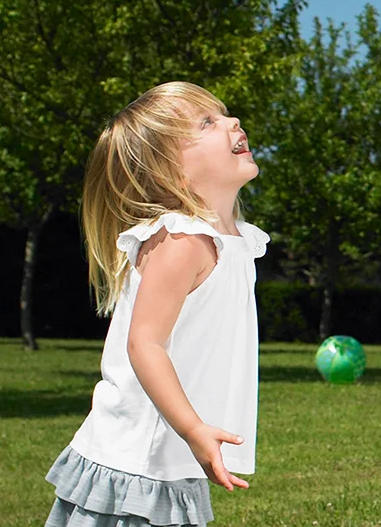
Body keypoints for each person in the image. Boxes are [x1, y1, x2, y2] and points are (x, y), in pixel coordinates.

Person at [44, 81, 269, 527]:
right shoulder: (183, 241)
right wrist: (193, 429)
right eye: (207, 122)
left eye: (223, 113)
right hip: (136, 465)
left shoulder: (233, 241)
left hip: (169, 460)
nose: (233, 122)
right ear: (171, 172)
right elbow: (144, 344)